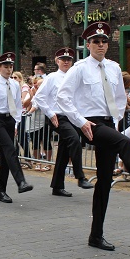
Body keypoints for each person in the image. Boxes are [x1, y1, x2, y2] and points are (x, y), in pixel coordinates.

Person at [57, 22, 130, 251]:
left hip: (109, 124)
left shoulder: (113, 67)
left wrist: (117, 123)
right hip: (91, 123)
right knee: (126, 143)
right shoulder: (79, 68)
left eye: (104, 41)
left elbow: (120, 98)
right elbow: (63, 97)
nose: (101, 45)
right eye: (96, 41)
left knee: (104, 183)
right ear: (88, 44)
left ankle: (95, 236)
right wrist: (80, 121)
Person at [32, 47, 93, 197]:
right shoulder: (52, 77)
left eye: (69, 60)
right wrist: (50, 113)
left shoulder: (76, 77)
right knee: (74, 140)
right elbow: (39, 97)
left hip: (72, 116)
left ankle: (57, 186)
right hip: (58, 117)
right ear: (57, 61)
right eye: (63, 59)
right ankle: (80, 176)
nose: (66, 62)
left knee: (64, 152)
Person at [0, 52, 33, 203]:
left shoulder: (15, 85)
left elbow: (17, 105)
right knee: (11, 149)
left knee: (6, 154)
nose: (9, 70)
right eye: (5, 67)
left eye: (10, 67)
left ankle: (0, 189)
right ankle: (21, 182)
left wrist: (15, 123)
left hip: (9, 120)